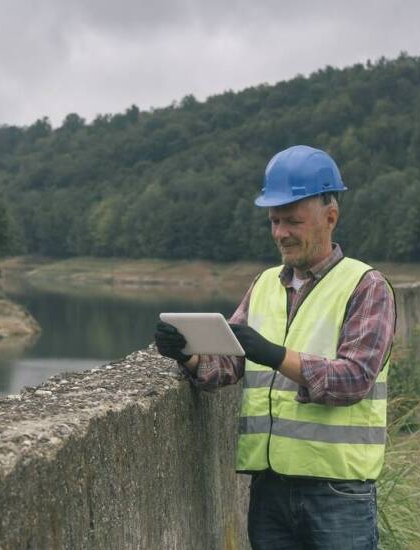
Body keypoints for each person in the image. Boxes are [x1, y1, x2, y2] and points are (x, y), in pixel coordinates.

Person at [154, 145, 395, 549]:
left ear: (331, 217)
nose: (281, 233)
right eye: (275, 221)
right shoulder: (264, 283)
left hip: (338, 492)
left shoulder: (366, 286)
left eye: (293, 221)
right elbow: (227, 364)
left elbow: (354, 379)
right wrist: (189, 355)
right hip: (269, 488)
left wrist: (275, 355)